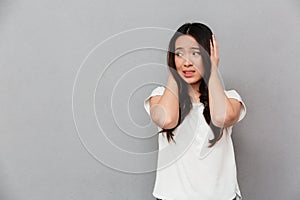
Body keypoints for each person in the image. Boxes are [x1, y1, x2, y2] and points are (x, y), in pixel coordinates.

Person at [144, 22, 247, 200]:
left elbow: (221, 117)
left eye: (196, 53)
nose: (187, 62)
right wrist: (173, 73)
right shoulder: (160, 96)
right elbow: (167, 119)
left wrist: (213, 72)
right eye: (179, 54)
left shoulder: (230, 99)